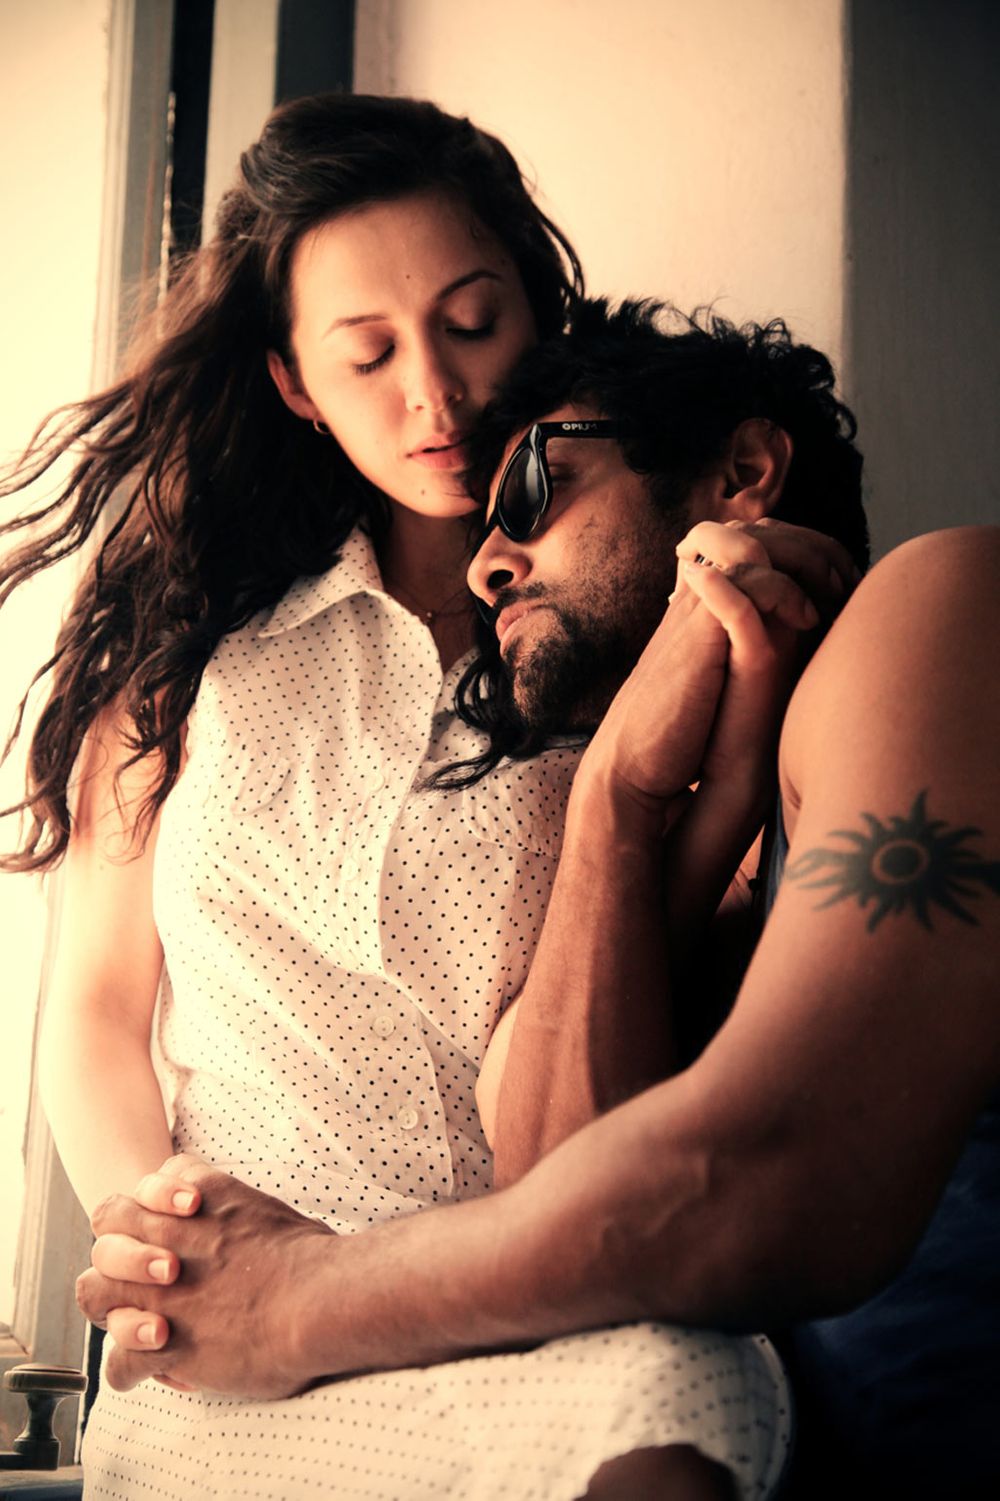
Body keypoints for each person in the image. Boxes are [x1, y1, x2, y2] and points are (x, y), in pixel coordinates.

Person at [0, 102, 819, 1499]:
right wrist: (166, 1243)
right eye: (368, 354)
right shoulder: (189, 650)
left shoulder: (625, 648)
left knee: (681, 1392)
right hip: (229, 1319)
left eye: (471, 323)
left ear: (535, 312)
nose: (433, 397)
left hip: (516, 1289)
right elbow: (92, 1008)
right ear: (296, 382)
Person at [79, 301, 1000, 1494]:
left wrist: (297, 1298)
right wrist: (619, 792)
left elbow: (771, 1176)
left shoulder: (940, 609)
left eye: (530, 491)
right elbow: (553, 1190)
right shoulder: (649, 824)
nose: (486, 564)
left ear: (740, 473)